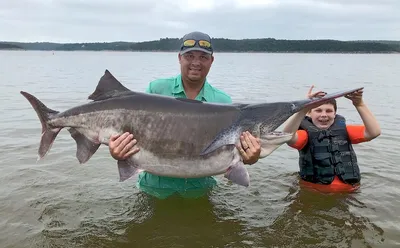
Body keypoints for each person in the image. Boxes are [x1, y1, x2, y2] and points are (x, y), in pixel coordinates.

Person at [108, 31, 262, 199]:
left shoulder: (222, 101)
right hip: (153, 189)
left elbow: (232, 152)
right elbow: (134, 135)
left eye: (203, 57)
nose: (196, 62)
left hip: (200, 192)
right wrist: (118, 152)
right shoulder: (156, 90)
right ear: (179, 58)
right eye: (189, 56)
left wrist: (250, 158)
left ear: (212, 61)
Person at [282, 85, 381, 192]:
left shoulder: (346, 131)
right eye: (318, 110)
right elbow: (287, 136)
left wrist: (359, 104)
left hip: (348, 191)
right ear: (309, 114)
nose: (324, 115)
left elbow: (374, 132)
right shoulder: (304, 135)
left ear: (335, 114)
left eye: (328, 111)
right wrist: (303, 108)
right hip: (315, 191)